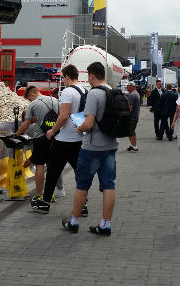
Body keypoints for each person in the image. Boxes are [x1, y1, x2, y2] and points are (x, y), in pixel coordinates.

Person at [62, 62, 118, 236]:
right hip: (110, 145)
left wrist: (79, 128)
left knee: (82, 185)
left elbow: (89, 124)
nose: (88, 79)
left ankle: (74, 221)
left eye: (88, 76)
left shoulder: (94, 94)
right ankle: (105, 224)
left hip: (93, 147)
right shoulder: (112, 91)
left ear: (92, 75)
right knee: (109, 185)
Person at [32, 64, 87, 215]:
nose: (63, 80)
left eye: (63, 77)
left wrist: (52, 131)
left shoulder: (68, 92)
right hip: (79, 139)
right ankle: (83, 206)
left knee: (53, 172)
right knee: (80, 173)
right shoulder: (84, 90)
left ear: (67, 77)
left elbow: (63, 116)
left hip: (64, 140)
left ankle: (45, 203)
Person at [14, 86, 60, 204]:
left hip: (41, 138)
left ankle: (39, 195)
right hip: (55, 136)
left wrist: (16, 135)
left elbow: (26, 124)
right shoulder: (54, 100)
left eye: (29, 99)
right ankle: (50, 194)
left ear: (32, 95)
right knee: (51, 166)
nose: (30, 101)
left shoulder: (34, 104)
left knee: (40, 165)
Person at [126, 81, 141, 152]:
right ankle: (132, 145)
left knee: (131, 131)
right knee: (130, 131)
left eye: (128, 85)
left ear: (132, 86)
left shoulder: (132, 95)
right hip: (135, 115)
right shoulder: (136, 93)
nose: (127, 87)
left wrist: (126, 116)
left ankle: (135, 146)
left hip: (132, 116)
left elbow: (130, 107)